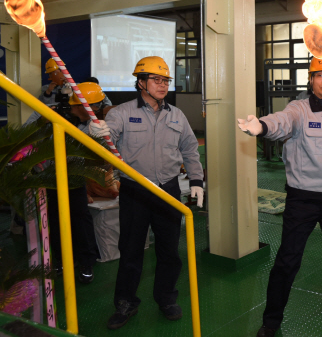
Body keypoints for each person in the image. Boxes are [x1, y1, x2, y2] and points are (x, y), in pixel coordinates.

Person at [238, 56, 322, 337]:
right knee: (287, 261)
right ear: (311, 79)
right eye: (319, 75)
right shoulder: (299, 109)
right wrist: (262, 127)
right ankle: (271, 321)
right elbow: (282, 122)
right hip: (302, 199)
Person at [91, 56, 204, 330]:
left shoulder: (176, 115)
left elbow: (189, 149)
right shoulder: (120, 113)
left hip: (168, 190)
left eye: (165, 80)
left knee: (169, 250)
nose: (163, 85)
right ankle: (126, 303)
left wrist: (198, 180)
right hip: (135, 191)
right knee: (130, 251)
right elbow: (108, 141)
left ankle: (166, 298)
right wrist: (97, 133)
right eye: (156, 79)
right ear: (141, 82)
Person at [27, 82, 105, 284]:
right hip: (49, 178)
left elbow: (93, 151)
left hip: (74, 178)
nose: (96, 110)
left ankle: (86, 261)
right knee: (54, 219)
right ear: (80, 104)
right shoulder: (49, 112)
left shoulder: (91, 123)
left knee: (81, 218)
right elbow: (26, 133)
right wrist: (44, 120)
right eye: (94, 105)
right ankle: (60, 260)